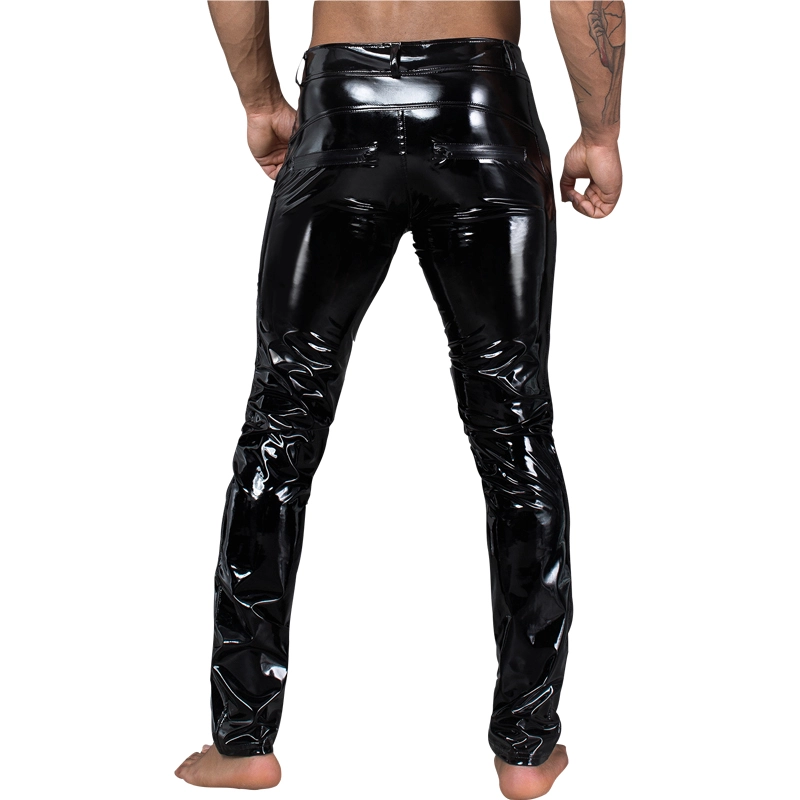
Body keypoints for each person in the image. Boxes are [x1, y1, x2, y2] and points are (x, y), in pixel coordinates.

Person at [175, 2, 624, 797]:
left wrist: (260, 99)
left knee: (281, 426)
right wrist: (601, 132)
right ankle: (526, 748)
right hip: (481, 112)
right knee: (515, 429)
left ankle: (243, 740)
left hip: (341, 111)